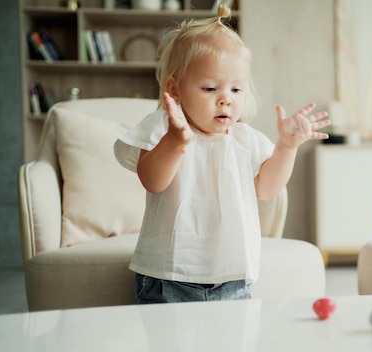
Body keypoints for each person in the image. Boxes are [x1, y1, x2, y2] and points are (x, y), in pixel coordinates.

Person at [113, 4, 331, 304]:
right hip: (169, 275)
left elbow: (268, 189)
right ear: (175, 90)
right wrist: (176, 142)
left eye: (236, 90)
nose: (225, 100)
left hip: (233, 276)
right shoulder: (165, 127)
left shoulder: (245, 139)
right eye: (210, 88)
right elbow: (152, 180)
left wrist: (287, 147)